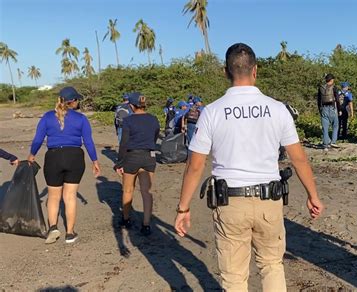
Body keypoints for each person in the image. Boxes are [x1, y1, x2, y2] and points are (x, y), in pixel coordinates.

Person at [174, 43, 324, 291]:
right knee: (272, 266)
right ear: (255, 71)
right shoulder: (278, 110)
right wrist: (313, 195)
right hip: (269, 201)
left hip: (229, 203)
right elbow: (299, 159)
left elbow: (195, 165)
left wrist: (183, 208)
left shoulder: (211, 111)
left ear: (226, 71)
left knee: (234, 277)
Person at [28, 86, 101, 244]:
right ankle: (70, 233)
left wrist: (32, 155)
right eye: (77, 100)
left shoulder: (47, 117)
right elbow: (88, 142)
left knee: (53, 196)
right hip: (75, 157)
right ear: (73, 101)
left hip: (53, 157)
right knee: (70, 196)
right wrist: (95, 161)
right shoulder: (81, 119)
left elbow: (38, 139)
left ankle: (53, 228)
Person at [114, 92, 160, 236]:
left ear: (132, 106)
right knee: (147, 192)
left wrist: (119, 162)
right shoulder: (154, 119)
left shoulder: (128, 120)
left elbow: (124, 143)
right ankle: (146, 224)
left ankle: (126, 218)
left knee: (128, 190)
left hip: (132, 156)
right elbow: (155, 136)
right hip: (149, 156)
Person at [317, 73, 341, 149]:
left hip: (323, 108)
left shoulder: (321, 88)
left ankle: (325, 144)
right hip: (332, 108)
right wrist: (339, 110)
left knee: (325, 127)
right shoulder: (334, 88)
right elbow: (337, 99)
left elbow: (318, 100)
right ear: (332, 80)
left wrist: (320, 110)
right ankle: (333, 142)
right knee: (335, 125)